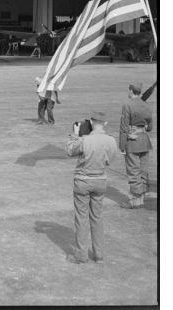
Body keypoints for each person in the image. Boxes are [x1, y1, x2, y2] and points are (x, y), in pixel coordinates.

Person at [65, 111, 117, 264]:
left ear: (92, 122)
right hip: (100, 180)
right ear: (105, 123)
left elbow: (70, 150)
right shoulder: (111, 141)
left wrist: (75, 134)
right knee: (97, 217)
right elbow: (110, 160)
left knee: (81, 218)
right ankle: (98, 254)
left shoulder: (85, 140)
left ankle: (81, 254)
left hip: (83, 181)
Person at [119, 81, 153, 209]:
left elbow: (123, 126)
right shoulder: (146, 105)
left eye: (129, 90)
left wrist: (122, 145)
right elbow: (150, 127)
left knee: (133, 170)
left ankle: (135, 199)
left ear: (131, 91)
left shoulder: (127, 104)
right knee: (143, 170)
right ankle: (142, 198)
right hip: (144, 140)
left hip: (132, 142)